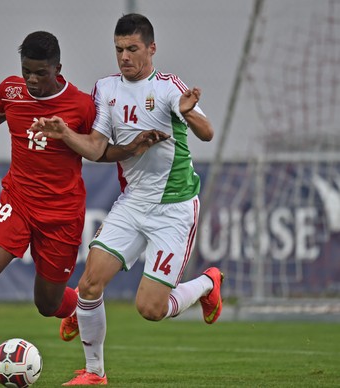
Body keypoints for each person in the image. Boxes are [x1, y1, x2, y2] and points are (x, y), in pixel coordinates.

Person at [0, 31, 165, 387]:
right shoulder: (11, 90)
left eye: (40, 73)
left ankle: (76, 307)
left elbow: (99, 150)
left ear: (58, 68)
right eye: (27, 71)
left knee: (47, 303)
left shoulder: (82, 106)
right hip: (18, 200)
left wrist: (132, 148)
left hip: (61, 215)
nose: (32, 80)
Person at [32, 13, 223, 386]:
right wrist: (66, 133)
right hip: (134, 203)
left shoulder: (169, 88)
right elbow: (96, 148)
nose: (124, 56)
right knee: (88, 285)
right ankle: (94, 373)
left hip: (174, 208)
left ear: (151, 49)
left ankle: (207, 284)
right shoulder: (106, 89)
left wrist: (187, 114)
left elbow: (208, 132)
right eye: (119, 49)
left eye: (132, 48)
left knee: (150, 309)